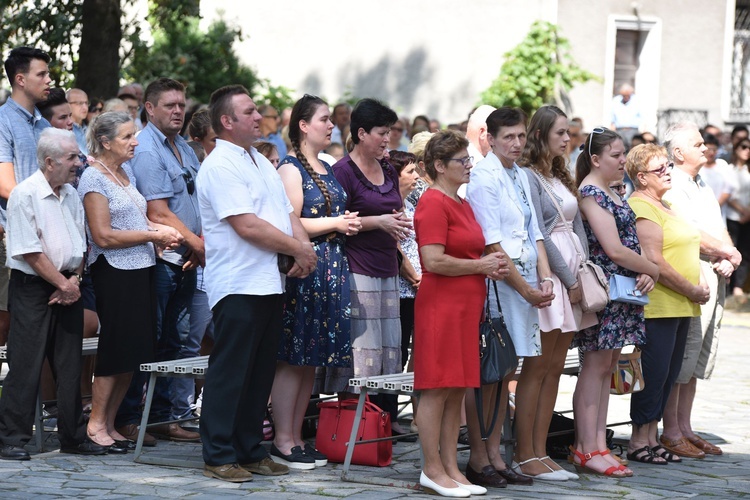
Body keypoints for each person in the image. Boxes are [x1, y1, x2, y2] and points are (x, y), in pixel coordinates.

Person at [196, 85, 316, 482]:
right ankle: (218, 454)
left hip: (268, 281)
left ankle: (250, 449)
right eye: (248, 112)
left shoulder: (259, 161)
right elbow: (247, 226)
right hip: (238, 281)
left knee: (259, 372)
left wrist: (302, 245)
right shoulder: (220, 165)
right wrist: (298, 250)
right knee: (230, 371)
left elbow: (285, 212)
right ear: (226, 122)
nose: (257, 116)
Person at [78, 111, 182, 453]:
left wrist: (154, 237)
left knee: (134, 352)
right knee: (116, 349)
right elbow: (104, 236)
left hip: (141, 267)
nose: (135, 141)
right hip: (114, 270)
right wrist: (151, 234)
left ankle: (110, 422)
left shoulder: (124, 172)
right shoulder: (94, 178)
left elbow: (133, 219)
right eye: (126, 137)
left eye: (134, 135)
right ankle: (95, 423)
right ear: (105, 142)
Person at [0, 128, 107, 460]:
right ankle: (10, 439)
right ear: (49, 162)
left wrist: (73, 279)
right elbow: (29, 251)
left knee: (70, 364)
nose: (79, 162)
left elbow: (80, 244)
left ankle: (73, 435)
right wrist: (63, 285)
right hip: (34, 288)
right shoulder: (25, 194)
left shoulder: (71, 194)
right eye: (72, 157)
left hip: (68, 284)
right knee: (26, 364)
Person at [414, 129, 508, 497]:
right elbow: (432, 260)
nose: (469, 165)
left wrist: (490, 265)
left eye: (469, 159)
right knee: (436, 389)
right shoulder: (433, 202)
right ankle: (431, 468)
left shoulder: (462, 202)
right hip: (441, 307)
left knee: (456, 389)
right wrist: (481, 266)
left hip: (466, 308)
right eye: (462, 160)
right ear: (439, 166)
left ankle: (451, 466)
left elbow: (471, 253)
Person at [270, 95, 361, 469]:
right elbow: (289, 220)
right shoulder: (291, 169)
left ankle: (297, 435)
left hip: (331, 268)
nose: (331, 125)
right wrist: (337, 224)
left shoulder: (325, 166)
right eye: (324, 119)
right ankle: (282, 439)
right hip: (305, 268)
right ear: (303, 125)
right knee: (293, 357)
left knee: (311, 359)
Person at [465, 106, 554, 488]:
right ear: (490, 137)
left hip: (527, 281)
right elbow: (492, 243)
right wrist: (526, 289)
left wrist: (546, 277)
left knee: (507, 371)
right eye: (508, 138)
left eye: (520, 136)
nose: (517, 144)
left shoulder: (519, 173)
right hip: (500, 284)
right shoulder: (484, 176)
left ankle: (497, 452)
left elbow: (535, 231)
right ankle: (478, 455)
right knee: (489, 370)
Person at [116, 78, 203, 444]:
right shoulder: (149, 149)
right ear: (149, 108)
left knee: (176, 343)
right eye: (169, 105)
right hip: (164, 259)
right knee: (150, 341)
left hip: (187, 258)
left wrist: (198, 245)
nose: (178, 111)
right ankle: (131, 417)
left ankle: (166, 417)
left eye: (181, 104)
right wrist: (197, 243)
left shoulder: (184, 146)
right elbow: (158, 210)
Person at [570, 128, 659, 477]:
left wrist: (646, 272)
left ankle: (598, 445)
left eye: (623, 154)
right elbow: (614, 248)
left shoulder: (614, 191)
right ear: (595, 159)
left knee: (606, 368)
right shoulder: (592, 192)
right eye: (616, 155)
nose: (623, 161)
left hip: (622, 290)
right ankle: (585, 446)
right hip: (604, 290)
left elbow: (629, 245)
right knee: (593, 368)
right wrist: (653, 268)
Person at [517, 105, 597, 480]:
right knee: (537, 367)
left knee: (554, 369)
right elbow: (542, 233)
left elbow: (576, 223)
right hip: (550, 273)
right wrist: (568, 279)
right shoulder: (530, 176)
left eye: (569, 133)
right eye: (561, 133)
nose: (568, 139)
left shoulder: (561, 174)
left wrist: (583, 270)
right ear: (541, 135)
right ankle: (524, 452)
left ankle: (541, 449)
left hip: (573, 270)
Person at [660, 122, 741, 459]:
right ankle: (672, 431)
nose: (705, 148)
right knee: (683, 356)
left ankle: (685, 427)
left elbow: (717, 223)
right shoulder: (672, 184)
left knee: (697, 357)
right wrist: (726, 253)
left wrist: (730, 256)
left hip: (714, 269)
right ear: (679, 153)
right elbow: (688, 230)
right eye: (697, 144)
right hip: (691, 274)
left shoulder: (702, 181)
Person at [624, 144, 709, 464]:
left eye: (667, 167)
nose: (668, 172)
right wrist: (691, 288)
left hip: (682, 304)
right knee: (653, 374)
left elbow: (688, 245)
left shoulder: (667, 203)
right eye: (660, 169)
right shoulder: (643, 207)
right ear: (642, 178)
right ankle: (637, 440)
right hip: (659, 304)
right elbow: (654, 260)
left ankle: (651, 436)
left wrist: (698, 282)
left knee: (668, 374)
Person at [331, 98, 411, 430]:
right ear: (361, 133)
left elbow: (391, 208)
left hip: (387, 268)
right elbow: (338, 222)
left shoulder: (389, 168)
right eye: (381, 133)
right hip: (357, 269)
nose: (387, 139)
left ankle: (382, 423)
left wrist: (397, 219)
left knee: (389, 350)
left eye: (390, 132)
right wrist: (379, 222)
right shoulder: (343, 172)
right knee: (361, 352)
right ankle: (354, 427)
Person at [0, 46, 53, 377]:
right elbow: (6, 185)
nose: (50, 80)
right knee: (6, 325)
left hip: (48, 241)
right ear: (20, 80)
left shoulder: (44, 123)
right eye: (42, 74)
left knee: (36, 334)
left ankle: (29, 415)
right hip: (13, 239)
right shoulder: (2, 121)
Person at [392, 150, 421, 373]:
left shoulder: (410, 206)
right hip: (400, 290)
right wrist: (415, 278)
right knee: (398, 351)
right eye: (410, 171)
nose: (417, 176)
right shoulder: (389, 209)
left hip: (416, 291)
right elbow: (395, 248)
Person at [725, 136, 750, 297]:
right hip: (732, 216)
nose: (747, 151)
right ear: (736, 149)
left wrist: (747, 213)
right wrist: (742, 210)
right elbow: (727, 193)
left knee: (746, 252)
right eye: (744, 147)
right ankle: (728, 284)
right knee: (730, 250)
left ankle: (738, 287)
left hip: (748, 217)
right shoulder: (729, 169)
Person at [700, 132, 734, 222]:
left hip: (720, 214)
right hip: (701, 214)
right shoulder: (697, 167)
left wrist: (716, 206)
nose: (711, 153)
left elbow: (728, 188)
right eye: (708, 149)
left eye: (714, 149)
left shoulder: (722, 164)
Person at [610, 83, 642, 148]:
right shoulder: (616, 100)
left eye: (627, 95)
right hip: (619, 130)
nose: (625, 97)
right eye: (623, 95)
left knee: (633, 148)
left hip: (633, 130)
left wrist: (643, 129)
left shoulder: (637, 101)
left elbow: (642, 116)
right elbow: (612, 117)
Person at [66, 88, 90, 154]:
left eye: (86, 103)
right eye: (79, 103)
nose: (85, 107)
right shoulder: (65, 130)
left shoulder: (89, 129)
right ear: (67, 104)